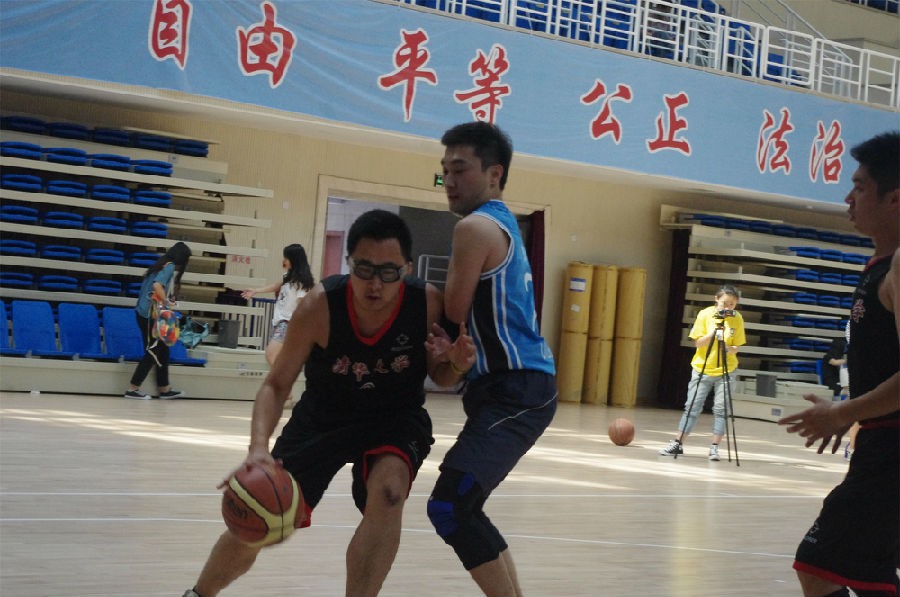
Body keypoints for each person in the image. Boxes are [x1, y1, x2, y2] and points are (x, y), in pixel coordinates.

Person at [181, 210, 474, 597]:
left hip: (395, 418)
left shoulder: (427, 304)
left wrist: (456, 364)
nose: (375, 284)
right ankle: (198, 594)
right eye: (364, 269)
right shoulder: (319, 306)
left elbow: (442, 376)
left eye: (389, 272)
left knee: (389, 492)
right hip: (323, 417)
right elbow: (276, 385)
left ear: (406, 268)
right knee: (258, 509)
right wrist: (257, 449)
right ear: (349, 263)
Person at [427, 121, 557, 597]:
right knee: (465, 506)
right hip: (512, 387)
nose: (449, 181)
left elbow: (453, 309)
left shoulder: (474, 227)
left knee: (450, 506)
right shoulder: (504, 223)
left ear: (495, 174)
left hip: (517, 388)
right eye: (444, 171)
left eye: (460, 169)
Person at [778, 131, 899, 597]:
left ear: (894, 199)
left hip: (892, 452)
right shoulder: (882, 265)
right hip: (881, 445)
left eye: (860, 187)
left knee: (819, 565)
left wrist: (843, 412)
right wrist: (851, 412)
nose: (848, 198)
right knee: (866, 574)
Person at [659, 284, 746, 460]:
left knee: (721, 409)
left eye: (732, 305)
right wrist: (713, 333)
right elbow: (698, 342)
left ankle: (714, 447)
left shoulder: (737, 318)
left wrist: (729, 349)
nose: (728, 308)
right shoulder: (705, 315)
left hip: (726, 369)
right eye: (724, 303)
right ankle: (678, 443)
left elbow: (737, 346)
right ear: (716, 299)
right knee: (692, 406)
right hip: (702, 368)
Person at [125, 241, 191, 400]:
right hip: (150, 315)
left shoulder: (159, 265)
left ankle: (164, 389)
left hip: (143, 313)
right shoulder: (169, 267)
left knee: (163, 350)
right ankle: (133, 389)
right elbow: (157, 286)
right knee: (153, 351)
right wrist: (167, 303)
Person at [241, 243, 315, 367]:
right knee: (278, 356)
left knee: (270, 354)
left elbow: (305, 306)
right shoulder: (288, 277)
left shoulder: (302, 282)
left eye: (287, 258)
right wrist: (255, 291)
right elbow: (276, 286)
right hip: (279, 321)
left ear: (294, 259)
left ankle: (282, 377)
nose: (284, 260)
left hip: (289, 323)